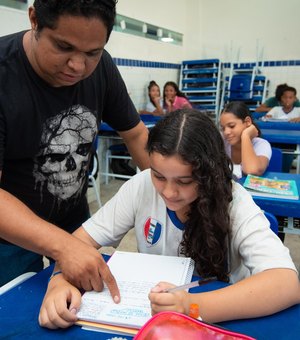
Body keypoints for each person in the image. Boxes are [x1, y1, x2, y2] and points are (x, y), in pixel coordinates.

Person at [39, 109, 299, 329]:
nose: (168, 192)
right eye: (159, 176)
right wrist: (58, 282)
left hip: (220, 322)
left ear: (209, 174)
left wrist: (191, 306)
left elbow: (286, 283)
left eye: (185, 181)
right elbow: (78, 243)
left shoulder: (235, 201)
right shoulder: (141, 186)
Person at [0, 0, 150, 289]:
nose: (78, 66)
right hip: (8, 238)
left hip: (74, 221)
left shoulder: (102, 68)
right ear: (34, 19)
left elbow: (136, 135)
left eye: (92, 52)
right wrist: (63, 246)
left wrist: (173, 189)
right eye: (63, 47)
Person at [220, 101, 272, 179]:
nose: (226, 132)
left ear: (247, 122)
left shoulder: (262, 144)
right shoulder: (222, 142)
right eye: (223, 128)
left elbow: (252, 170)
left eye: (231, 126)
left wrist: (246, 136)